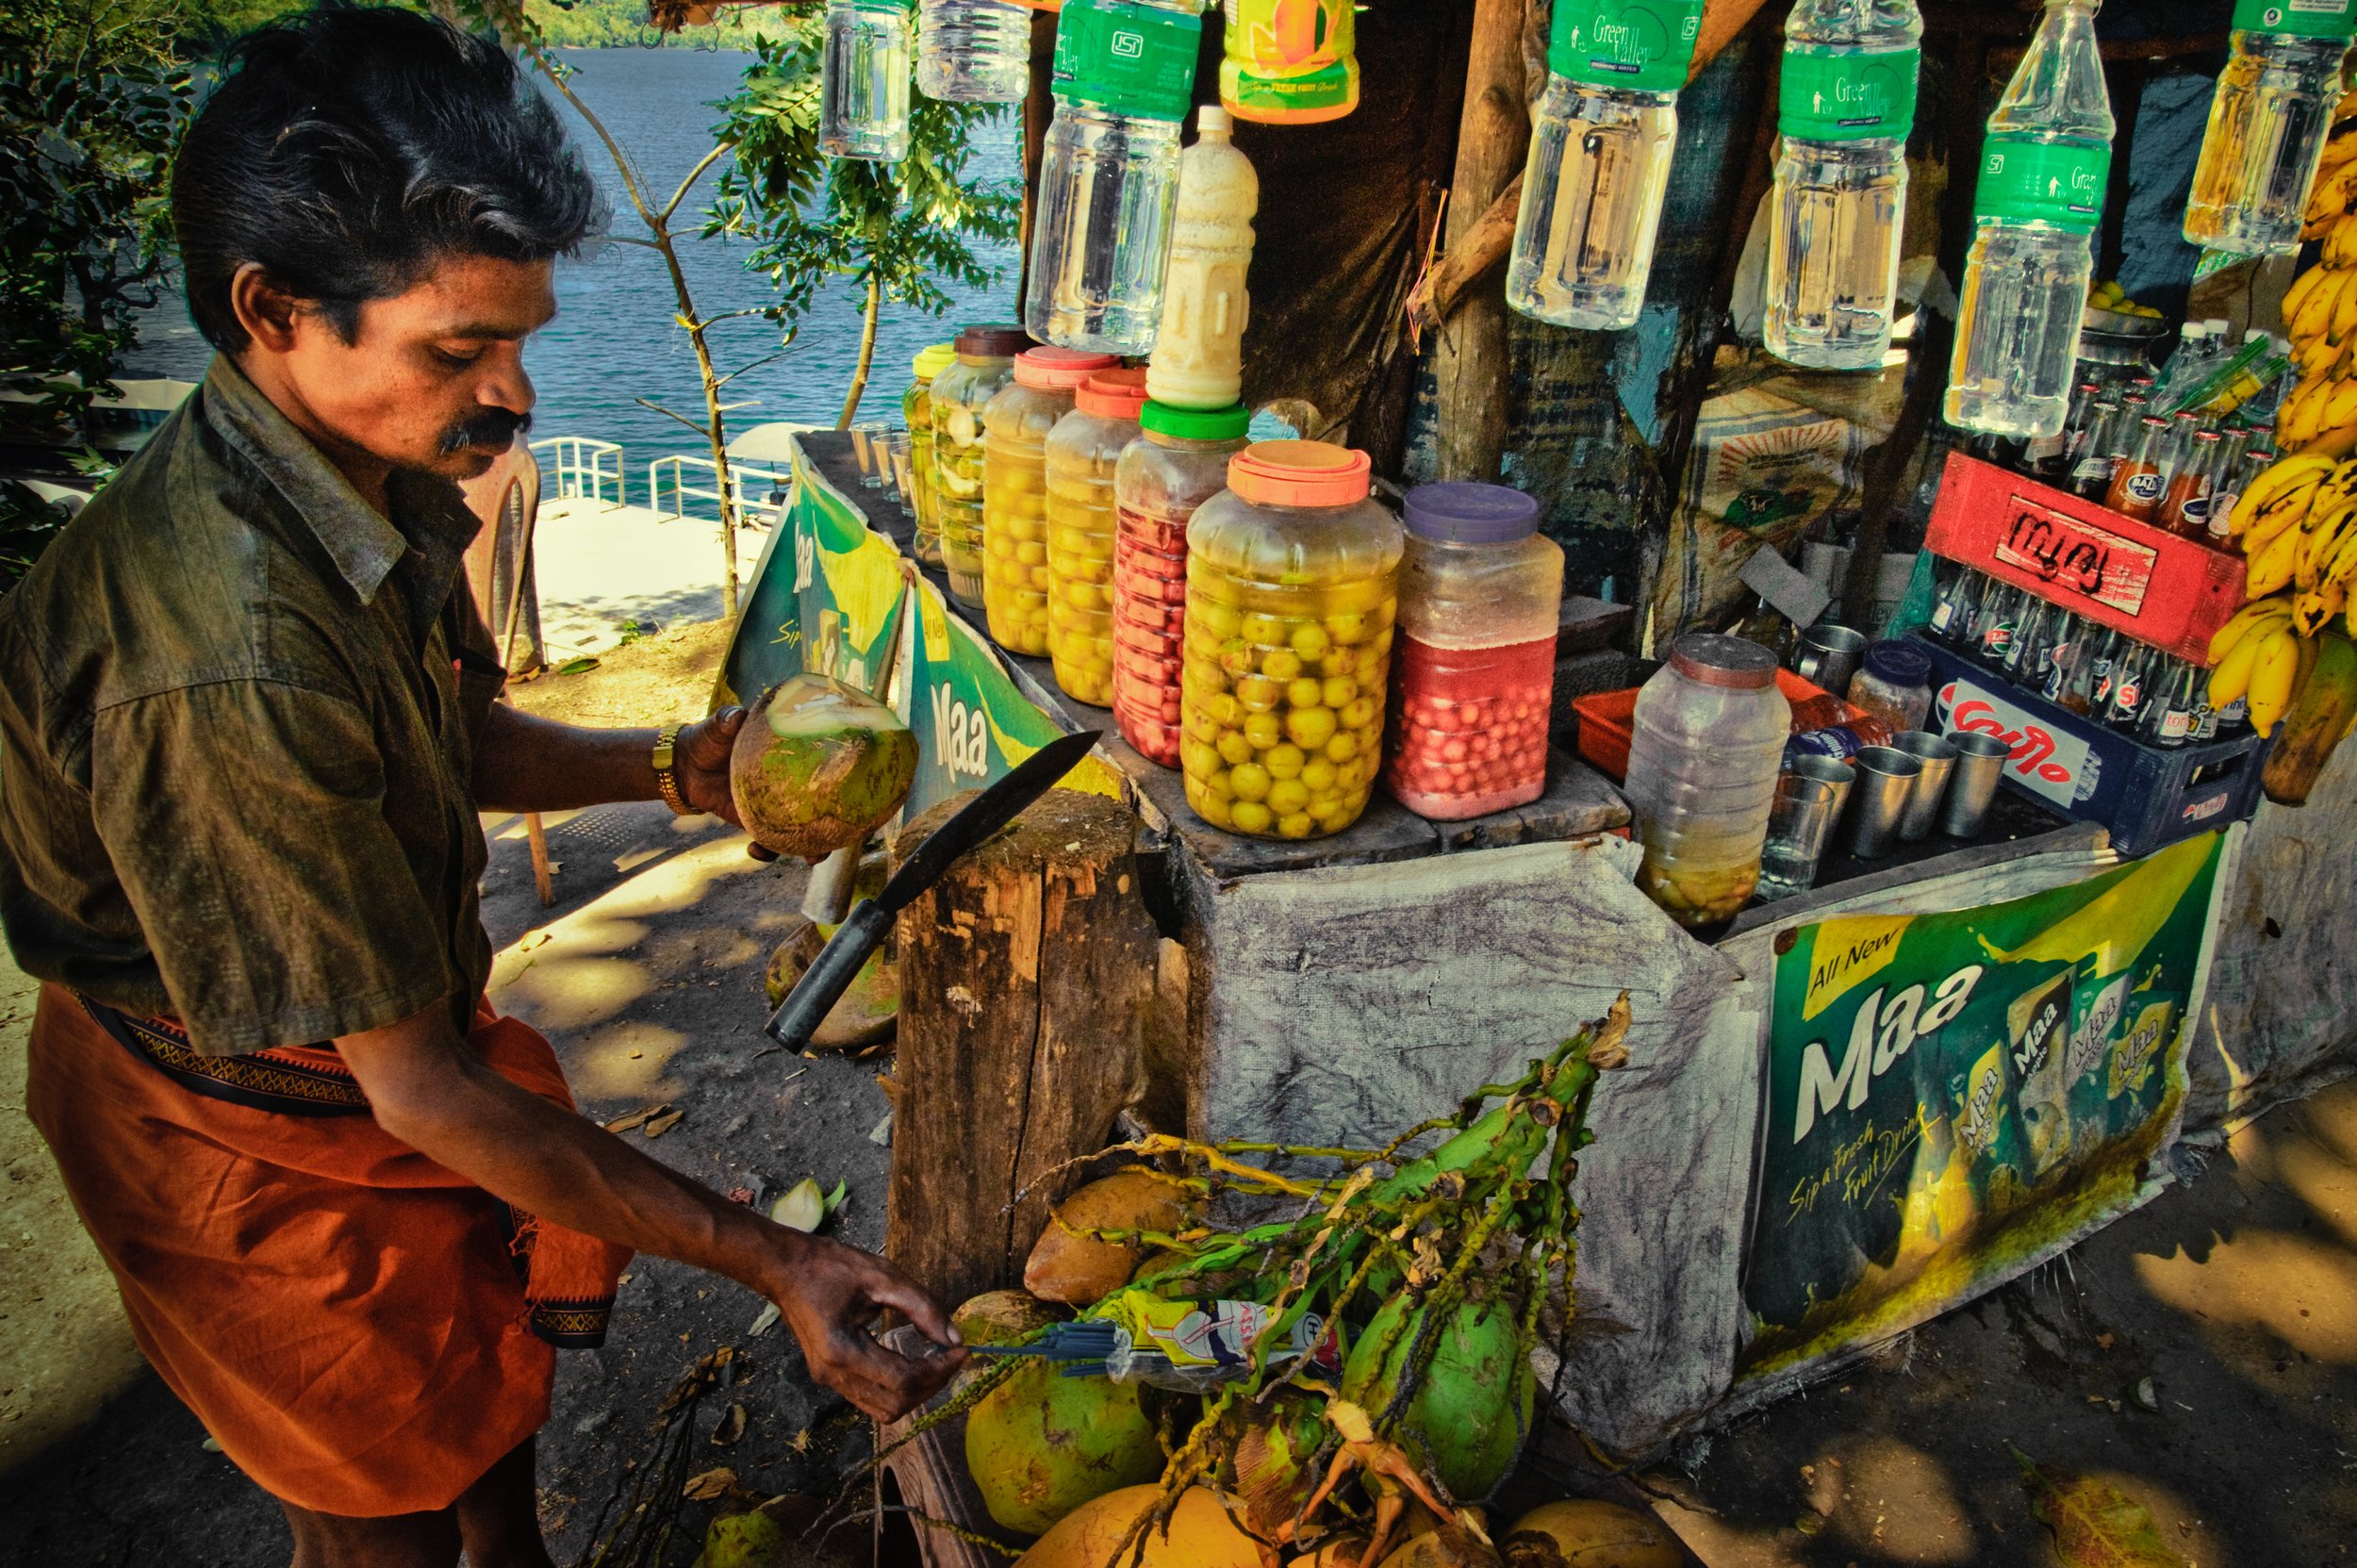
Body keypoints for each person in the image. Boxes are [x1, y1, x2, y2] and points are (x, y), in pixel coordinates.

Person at [0, 8, 964, 1565]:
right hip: (240, 1120)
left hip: (385, 1048)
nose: (514, 395)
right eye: (459, 350)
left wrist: (678, 769)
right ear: (274, 310)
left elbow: (438, 737)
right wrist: (780, 1267)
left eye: (520, 340)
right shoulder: (222, 660)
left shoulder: (367, 476)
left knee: (488, 1434)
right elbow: (422, 1096)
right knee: (373, 1514)